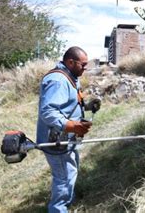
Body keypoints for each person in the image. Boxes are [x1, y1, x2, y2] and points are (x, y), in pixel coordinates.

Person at [37, 46, 101, 213]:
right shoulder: (59, 80)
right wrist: (73, 126)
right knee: (64, 177)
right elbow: (48, 112)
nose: (85, 68)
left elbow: (66, 104)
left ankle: (67, 200)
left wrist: (87, 105)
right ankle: (59, 208)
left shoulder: (70, 76)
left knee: (69, 172)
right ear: (70, 62)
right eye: (83, 65)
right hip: (56, 140)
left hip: (66, 138)